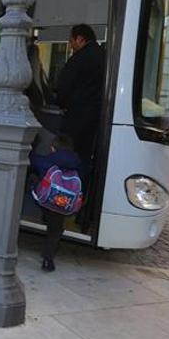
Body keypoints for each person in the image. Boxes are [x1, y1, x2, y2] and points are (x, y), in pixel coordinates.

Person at [55, 24, 105, 174]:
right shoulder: (105, 56)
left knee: (68, 153)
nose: (71, 45)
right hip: (96, 117)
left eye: (72, 41)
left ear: (80, 39)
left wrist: (61, 103)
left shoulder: (78, 59)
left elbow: (64, 86)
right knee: (85, 155)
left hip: (76, 116)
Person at [29, 133, 82, 272]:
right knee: (55, 230)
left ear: (53, 148)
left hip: (46, 200)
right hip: (64, 204)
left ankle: (44, 217)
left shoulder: (48, 160)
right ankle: (48, 259)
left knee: (34, 179)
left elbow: (32, 160)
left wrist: (32, 145)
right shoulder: (78, 163)